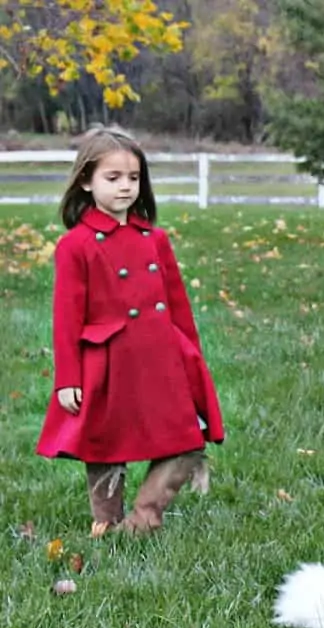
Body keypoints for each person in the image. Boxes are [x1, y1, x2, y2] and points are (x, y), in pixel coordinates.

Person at [35, 126, 226, 536]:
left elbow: (178, 306)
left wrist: (190, 356)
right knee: (104, 444)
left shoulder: (154, 240)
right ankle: (107, 523)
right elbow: (67, 316)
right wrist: (67, 378)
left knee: (186, 440)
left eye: (133, 178)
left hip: (160, 356)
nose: (125, 187)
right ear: (86, 181)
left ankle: (142, 520)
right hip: (108, 362)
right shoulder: (76, 245)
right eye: (113, 177)